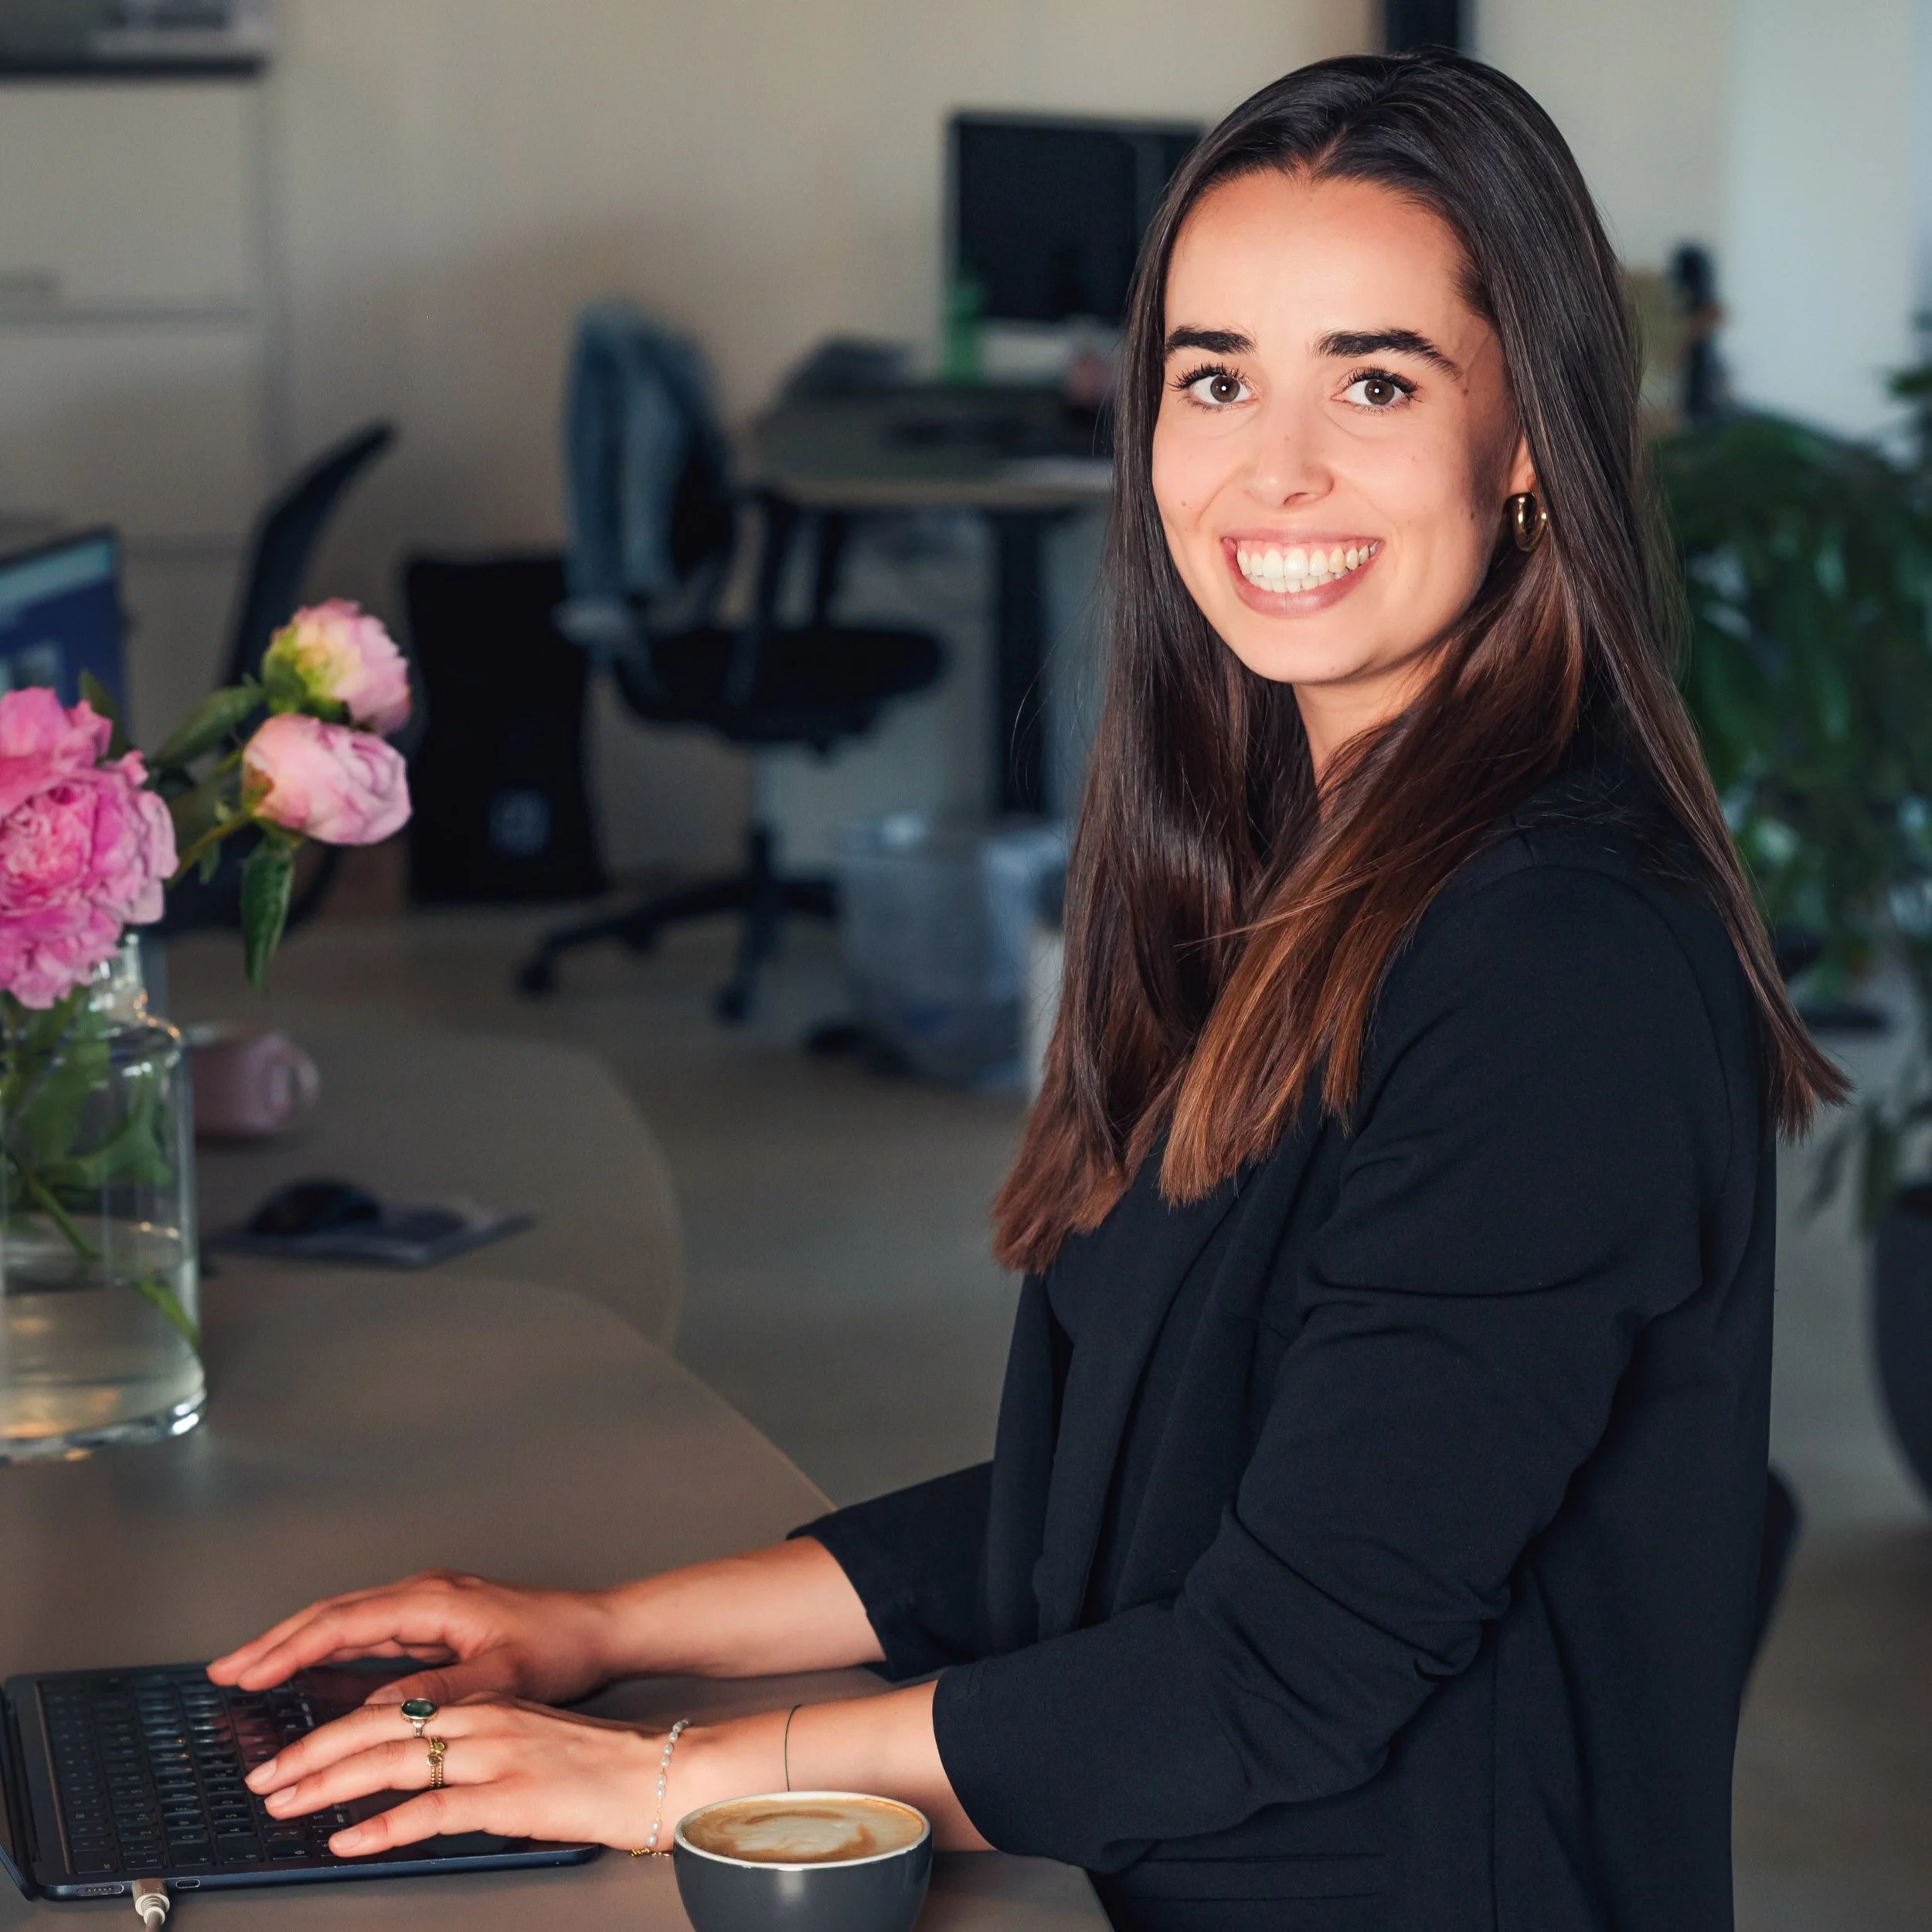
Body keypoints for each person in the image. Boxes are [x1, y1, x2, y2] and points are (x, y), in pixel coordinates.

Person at [209, 50, 1843, 1930]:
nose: (1270, 466)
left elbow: (1278, 1660)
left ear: (1528, 438)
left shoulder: (1557, 964)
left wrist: (678, 1780)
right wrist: (601, 1629)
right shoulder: (1270, 862)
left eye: (1375, 381)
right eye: (1212, 376)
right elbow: (1116, 1497)